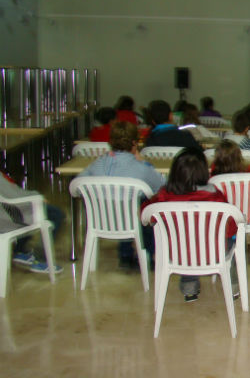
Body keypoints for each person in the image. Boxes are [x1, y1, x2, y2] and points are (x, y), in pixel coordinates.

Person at [141, 148, 233, 302]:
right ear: (205, 171)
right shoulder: (216, 197)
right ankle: (233, 286)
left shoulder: (163, 196)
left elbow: (145, 216)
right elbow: (230, 227)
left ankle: (189, 288)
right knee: (230, 244)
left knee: (184, 243)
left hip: (174, 252)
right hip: (214, 252)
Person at [79, 121, 165, 267]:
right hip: (132, 221)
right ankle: (149, 255)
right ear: (134, 143)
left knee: (120, 201)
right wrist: (144, 162)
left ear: (110, 142)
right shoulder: (141, 168)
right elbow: (162, 186)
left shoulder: (98, 163)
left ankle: (125, 254)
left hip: (100, 220)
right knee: (145, 202)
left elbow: (78, 183)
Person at [3, 173, 64, 274]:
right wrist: (37, 196)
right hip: (8, 217)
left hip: (6, 214)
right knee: (55, 214)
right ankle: (41, 261)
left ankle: (21, 251)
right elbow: (12, 195)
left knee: (30, 211)